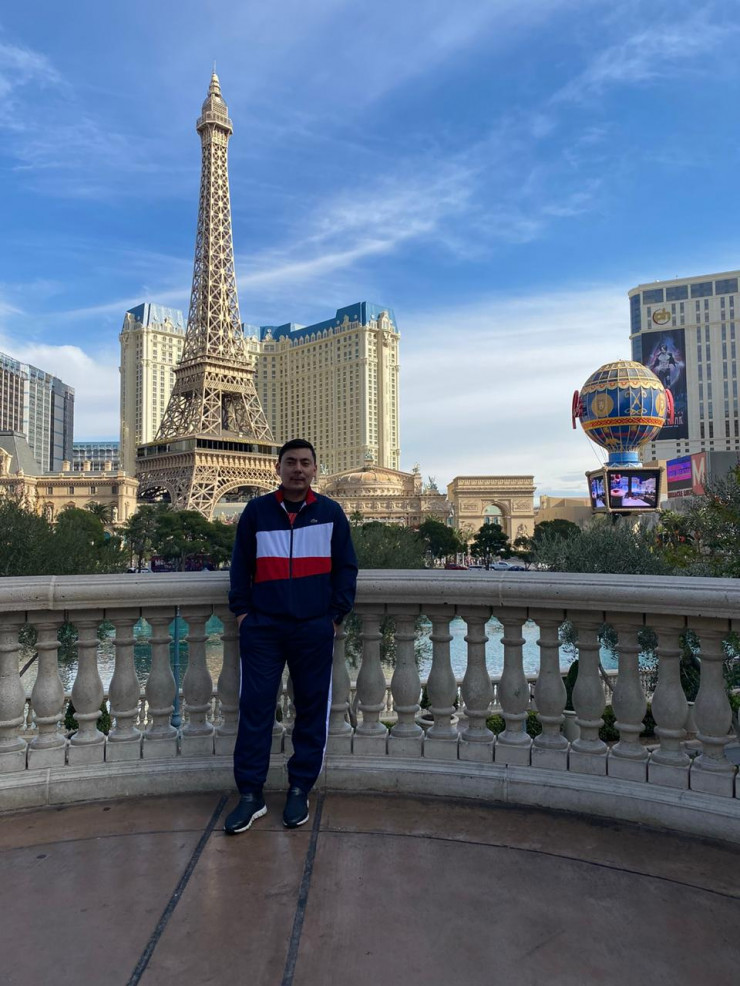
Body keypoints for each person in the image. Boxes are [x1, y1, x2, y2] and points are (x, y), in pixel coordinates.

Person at [224, 438, 358, 834]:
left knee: (311, 709)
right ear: (278, 468)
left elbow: (346, 568)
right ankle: (250, 794)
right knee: (255, 710)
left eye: (305, 463)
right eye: (290, 462)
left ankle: (300, 787)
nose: (298, 469)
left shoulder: (331, 513)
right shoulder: (256, 511)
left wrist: (334, 617)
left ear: (314, 469)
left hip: (313, 628)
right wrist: (243, 614)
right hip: (264, 628)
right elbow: (240, 566)